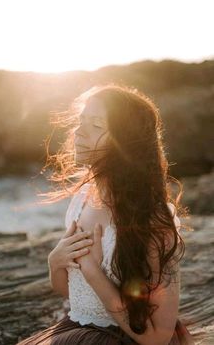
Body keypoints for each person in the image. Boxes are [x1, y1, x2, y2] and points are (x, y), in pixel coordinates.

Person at [17, 84, 195, 344]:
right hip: (77, 326)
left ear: (127, 144)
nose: (80, 131)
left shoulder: (153, 221)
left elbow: (157, 337)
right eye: (81, 121)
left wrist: (92, 271)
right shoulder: (81, 201)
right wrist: (55, 263)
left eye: (97, 126)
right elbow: (76, 296)